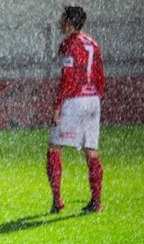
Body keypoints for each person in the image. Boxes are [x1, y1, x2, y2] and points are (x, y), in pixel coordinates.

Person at [47, 5, 105, 214]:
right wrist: (96, 99)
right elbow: (100, 76)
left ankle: (57, 199)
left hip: (74, 99)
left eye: (63, 19)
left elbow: (68, 78)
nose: (60, 22)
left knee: (54, 147)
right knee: (91, 151)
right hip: (93, 99)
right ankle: (96, 202)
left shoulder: (69, 44)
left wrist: (57, 106)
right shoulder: (93, 43)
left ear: (69, 22)